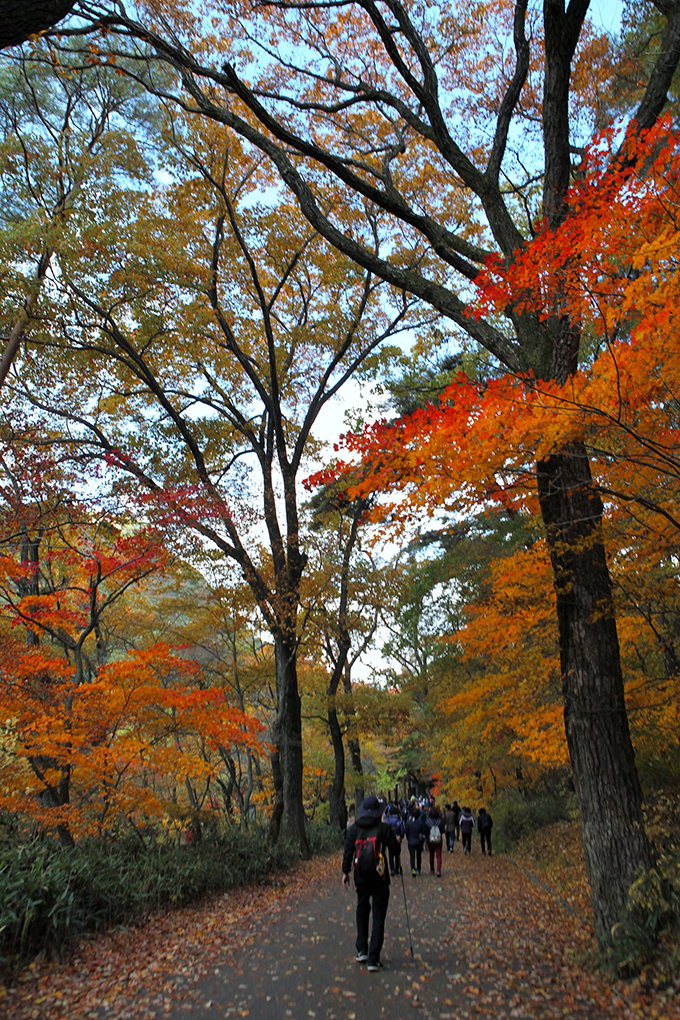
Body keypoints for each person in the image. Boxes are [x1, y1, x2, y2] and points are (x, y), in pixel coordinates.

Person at [342, 795, 399, 972]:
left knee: (362, 908)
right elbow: (395, 851)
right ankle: (374, 958)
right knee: (378, 914)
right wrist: (395, 841)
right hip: (380, 876)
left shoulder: (354, 830)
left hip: (361, 875)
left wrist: (345, 872)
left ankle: (362, 950)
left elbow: (348, 852)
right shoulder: (384, 828)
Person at [404, 801, 427, 876]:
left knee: (412, 856)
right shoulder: (420, 823)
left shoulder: (408, 822)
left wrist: (408, 838)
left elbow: (406, 832)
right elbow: (423, 832)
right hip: (419, 841)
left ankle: (413, 868)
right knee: (418, 855)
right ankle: (419, 868)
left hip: (411, 841)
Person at [384, 803, 405, 875]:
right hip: (397, 838)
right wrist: (401, 836)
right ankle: (397, 868)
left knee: (390, 854)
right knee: (397, 854)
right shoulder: (399, 821)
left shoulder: (386, 821)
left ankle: (392, 869)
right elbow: (402, 831)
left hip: (389, 839)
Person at [425, 803, 444, 876]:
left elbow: (425, 832)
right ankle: (438, 870)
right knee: (439, 855)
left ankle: (432, 869)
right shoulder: (440, 821)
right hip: (439, 840)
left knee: (431, 854)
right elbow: (442, 831)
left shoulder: (427, 822)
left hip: (430, 840)